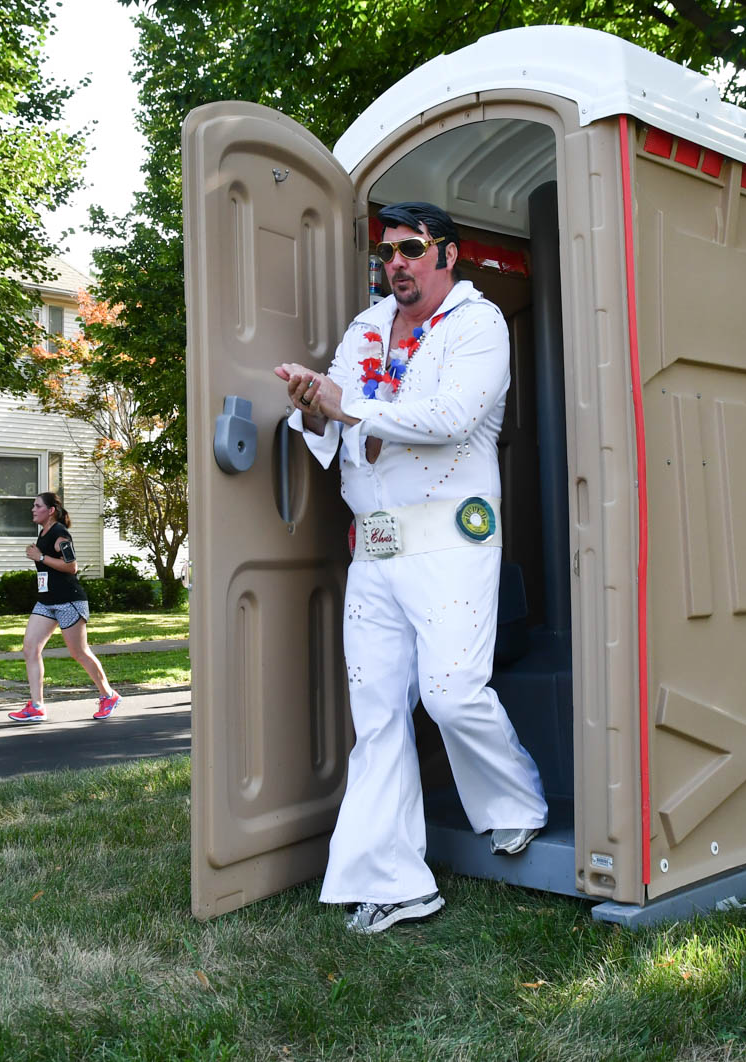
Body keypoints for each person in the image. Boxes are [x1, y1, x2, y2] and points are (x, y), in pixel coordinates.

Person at [272, 201, 548, 934]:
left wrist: (348, 404)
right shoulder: (366, 328)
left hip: (450, 539)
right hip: (375, 545)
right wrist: (312, 404)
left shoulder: (477, 324)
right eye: (386, 250)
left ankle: (516, 804)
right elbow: (337, 412)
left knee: (453, 692)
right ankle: (396, 882)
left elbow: (451, 417)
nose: (395, 261)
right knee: (378, 714)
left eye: (410, 248)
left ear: (447, 255)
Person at [7, 493, 121, 723]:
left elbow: (71, 566)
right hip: (47, 602)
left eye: (37, 505)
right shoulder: (44, 532)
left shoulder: (60, 533)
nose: (32, 509)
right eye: (33, 505)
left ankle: (108, 695)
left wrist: (41, 556)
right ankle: (37, 706)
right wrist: (41, 556)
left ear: (50, 511)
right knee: (30, 648)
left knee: (79, 652)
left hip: (69, 601)